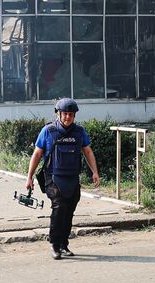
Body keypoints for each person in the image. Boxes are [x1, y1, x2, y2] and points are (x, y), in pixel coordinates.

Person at [26, 97, 100, 260]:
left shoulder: (79, 132)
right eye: (65, 114)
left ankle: (64, 245)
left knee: (69, 211)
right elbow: (37, 153)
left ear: (74, 116)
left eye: (71, 114)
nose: (67, 117)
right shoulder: (48, 131)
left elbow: (87, 151)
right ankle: (54, 245)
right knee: (59, 209)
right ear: (58, 114)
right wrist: (29, 177)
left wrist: (95, 172)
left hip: (72, 178)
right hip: (53, 177)